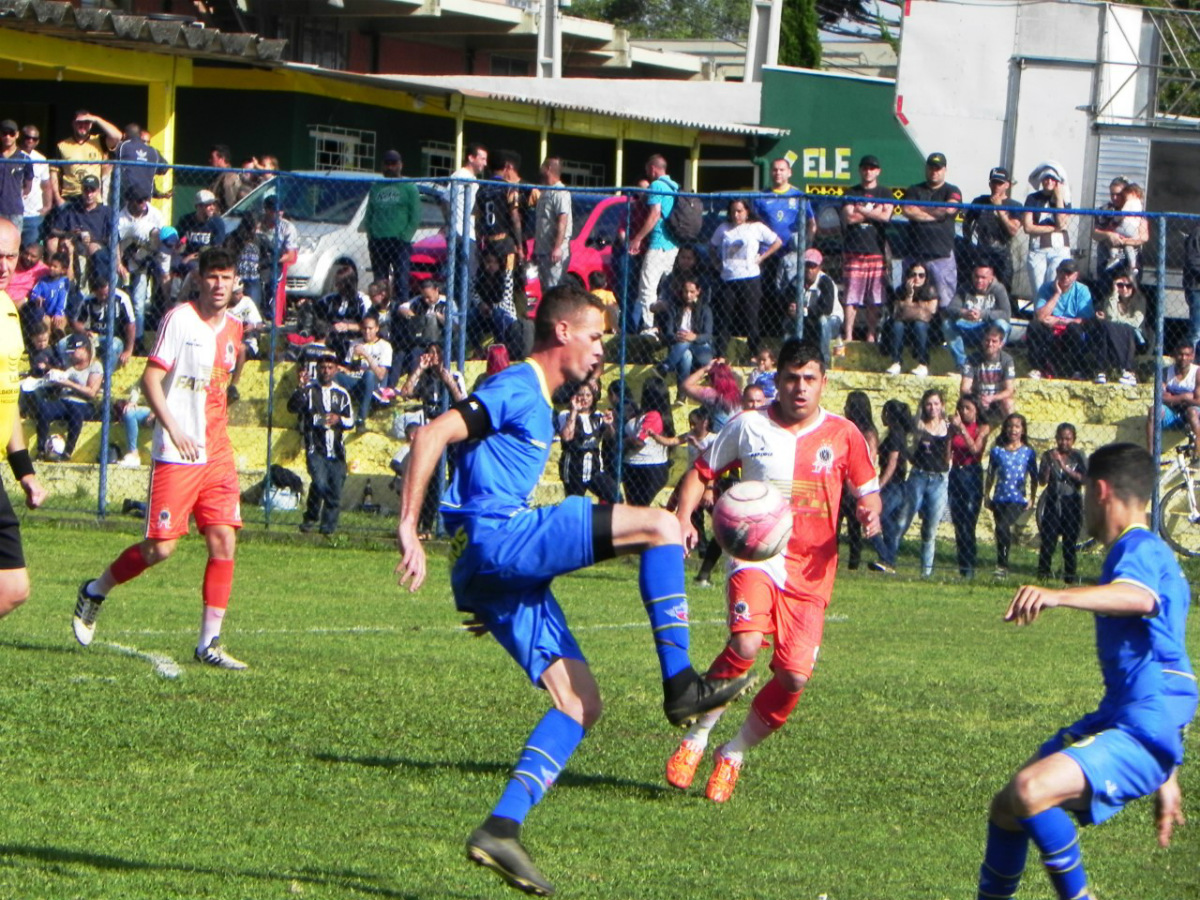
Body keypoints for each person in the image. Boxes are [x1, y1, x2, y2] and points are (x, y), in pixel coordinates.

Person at [394, 283, 756, 896]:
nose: (598, 350)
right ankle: (681, 684)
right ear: (562, 333)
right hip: (500, 540)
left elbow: (472, 474)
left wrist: (481, 588)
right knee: (664, 524)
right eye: (594, 336)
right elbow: (431, 437)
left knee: (580, 703)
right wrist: (408, 527)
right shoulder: (516, 387)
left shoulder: (540, 399)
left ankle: (501, 828)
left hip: (491, 568)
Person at [976, 442, 1196, 900]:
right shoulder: (1156, 555)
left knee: (1031, 789)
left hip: (1138, 726)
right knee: (1007, 809)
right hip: (1129, 718)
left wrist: (1057, 594)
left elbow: (1137, 599)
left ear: (1098, 491)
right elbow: (1173, 671)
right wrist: (1168, 771)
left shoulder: (1134, 549)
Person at [667, 338, 881, 803]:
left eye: (809, 379)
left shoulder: (845, 435)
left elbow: (868, 491)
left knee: (794, 678)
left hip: (812, 568)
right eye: (791, 379)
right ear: (776, 381)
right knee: (745, 642)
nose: (800, 388)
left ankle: (734, 752)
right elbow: (702, 472)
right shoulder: (748, 425)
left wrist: (870, 511)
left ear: (824, 382)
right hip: (755, 555)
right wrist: (683, 518)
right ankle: (696, 738)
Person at [73, 247, 249, 670]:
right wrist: (172, 426)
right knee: (161, 549)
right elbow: (151, 379)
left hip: (217, 452)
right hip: (178, 453)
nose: (219, 285)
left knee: (224, 538)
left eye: (227, 277)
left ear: (235, 282)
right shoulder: (179, 319)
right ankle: (95, 590)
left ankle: (209, 643)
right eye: (212, 277)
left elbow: (230, 369)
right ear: (199, 279)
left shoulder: (236, 328)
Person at [0, 218, 46, 621]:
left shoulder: (9, 311)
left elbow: (8, 398)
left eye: (10, 256)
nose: (3, 265)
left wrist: (24, 472)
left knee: (12, 587)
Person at [289, 351, 354, 535]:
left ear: (335, 370)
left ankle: (328, 529)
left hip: (337, 451)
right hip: (315, 449)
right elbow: (292, 407)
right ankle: (310, 517)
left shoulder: (342, 394)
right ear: (317, 369)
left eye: (330, 367)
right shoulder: (309, 390)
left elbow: (351, 421)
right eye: (323, 367)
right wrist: (300, 387)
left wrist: (338, 419)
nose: (326, 371)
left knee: (335, 490)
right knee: (319, 484)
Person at [708, 197, 781, 359]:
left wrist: (762, 257)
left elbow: (777, 242)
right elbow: (711, 247)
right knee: (725, 319)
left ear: (747, 212)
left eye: (740, 211)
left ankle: (754, 354)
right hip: (728, 279)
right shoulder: (723, 228)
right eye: (733, 211)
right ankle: (720, 355)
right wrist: (717, 264)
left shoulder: (756, 227)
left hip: (750, 278)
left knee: (751, 319)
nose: (736, 215)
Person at [896, 388, 951, 577]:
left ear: (942, 405)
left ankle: (926, 572)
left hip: (939, 479)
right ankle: (888, 560)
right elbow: (909, 447)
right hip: (919, 476)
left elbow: (949, 454)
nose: (933, 407)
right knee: (903, 520)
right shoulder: (918, 425)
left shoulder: (948, 426)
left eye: (936, 403)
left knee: (930, 528)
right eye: (929, 404)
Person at [839, 154, 893, 345]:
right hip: (854, 250)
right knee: (851, 297)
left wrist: (860, 209)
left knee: (874, 298)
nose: (868, 171)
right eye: (865, 168)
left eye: (872, 168)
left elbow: (886, 217)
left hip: (876, 250)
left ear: (878, 171)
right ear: (860, 170)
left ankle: (871, 335)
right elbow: (849, 218)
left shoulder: (885, 193)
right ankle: (848, 335)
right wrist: (873, 212)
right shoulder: (850, 192)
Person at [900, 152, 962, 309]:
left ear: (945, 170)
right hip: (914, 254)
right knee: (909, 295)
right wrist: (935, 214)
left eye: (938, 168)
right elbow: (907, 210)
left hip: (941, 255)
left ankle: (942, 332)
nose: (934, 172)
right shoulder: (914, 189)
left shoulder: (952, 190)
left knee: (945, 299)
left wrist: (921, 210)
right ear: (926, 169)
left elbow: (949, 209)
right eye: (931, 168)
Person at [628, 154, 680, 335]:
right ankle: (666, 325)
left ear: (652, 168)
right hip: (673, 245)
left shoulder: (657, 186)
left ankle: (649, 326)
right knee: (666, 288)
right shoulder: (674, 187)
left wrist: (638, 238)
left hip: (658, 244)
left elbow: (655, 213)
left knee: (647, 287)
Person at [33, 332, 101, 461]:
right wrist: (52, 373)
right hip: (64, 400)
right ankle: (41, 450)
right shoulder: (69, 363)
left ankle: (67, 453)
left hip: (83, 404)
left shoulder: (95, 366)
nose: (70, 354)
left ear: (83, 349)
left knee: (76, 411)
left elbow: (91, 392)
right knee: (44, 408)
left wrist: (69, 383)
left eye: (73, 351)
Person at [986, 413, 1038, 579]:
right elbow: (990, 474)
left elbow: (1034, 476)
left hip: (1017, 499)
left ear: (1022, 430)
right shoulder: (997, 451)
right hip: (999, 497)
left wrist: (1032, 496)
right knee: (1000, 530)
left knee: (1003, 527)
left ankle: (1003, 565)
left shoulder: (1028, 452)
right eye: (1010, 426)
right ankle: (1001, 564)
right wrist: (987, 494)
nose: (1013, 430)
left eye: (1017, 426)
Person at [363, 150, 420, 299]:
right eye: (387, 164)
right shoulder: (376, 187)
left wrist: (404, 237)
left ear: (400, 165)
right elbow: (369, 213)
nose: (390, 167)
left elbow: (415, 217)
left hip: (399, 242)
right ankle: (381, 314)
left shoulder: (409, 187)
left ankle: (401, 315)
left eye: (393, 164)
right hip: (378, 241)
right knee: (379, 282)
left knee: (401, 281)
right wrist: (371, 235)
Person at [1027, 259, 1094, 381]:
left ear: (1076, 275)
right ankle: (1038, 368)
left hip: (1070, 329)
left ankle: (1077, 370)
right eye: (1063, 272)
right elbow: (1040, 316)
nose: (1065, 276)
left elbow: (1083, 320)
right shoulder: (1046, 288)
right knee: (1034, 326)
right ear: (1057, 272)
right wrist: (1057, 294)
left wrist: (1058, 321)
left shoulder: (1082, 290)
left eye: (1069, 273)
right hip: (1050, 328)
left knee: (1075, 329)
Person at [1037, 423, 1087, 584]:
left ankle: (1070, 576)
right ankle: (1043, 574)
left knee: (1069, 542)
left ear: (1073, 440)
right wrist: (1048, 469)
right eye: (1060, 439)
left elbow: (1084, 479)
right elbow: (1042, 481)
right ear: (1056, 438)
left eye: (1068, 439)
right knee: (1048, 541)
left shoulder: (1078, 456)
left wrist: (1064, 467)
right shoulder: (1048, 455)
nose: (1063, 443)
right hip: (1053, 502)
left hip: (1071, 503)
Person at [838, 390, 882, 571]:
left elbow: (869, 460)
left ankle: (854, 563)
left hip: (856, 485)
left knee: (854, 527)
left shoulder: (868, 433)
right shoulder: (845, 429)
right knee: (835, 524)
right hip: (841, 485)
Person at [948, 394, 990, 579]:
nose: (964, 412)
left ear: (976, 411)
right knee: (958, 523)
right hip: (956, 473)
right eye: (962, 408)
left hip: (972, 474)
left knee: (968, 523)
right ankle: (962, 566)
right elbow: (947, 453)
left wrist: (962, 430)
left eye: (968, 408)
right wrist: (950, 433)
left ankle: (970, 565)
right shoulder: (955, 428)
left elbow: (975, 450)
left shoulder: (981, 428)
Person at [555, 380, 619, 503]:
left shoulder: (598, 416)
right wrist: (574, 411)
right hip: (574, 466)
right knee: (575, 503)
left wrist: (609, 425)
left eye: (588, 395)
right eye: (580, 394)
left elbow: (609, 437)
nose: (584, 398)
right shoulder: (566, 414)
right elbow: (567, 437)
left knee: (615, 496)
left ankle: (605, 520)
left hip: (594, 467)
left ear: (593, 397)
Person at [870, 398, 913, 575]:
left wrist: (880, 484)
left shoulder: (895, 433)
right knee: (889, 524)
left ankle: (886, 557)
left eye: (885, 412)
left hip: (893, 484)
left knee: (875, 517)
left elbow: (892, 462)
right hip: (899, 485)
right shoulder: (899, 433)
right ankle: (889, 560)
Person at [942, 263, 1011, 372]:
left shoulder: (999, 289)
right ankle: (962, 366)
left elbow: (1006, 313)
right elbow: (950, 308)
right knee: (947, 324)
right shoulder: (964, 288)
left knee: (1002, 325)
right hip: (968, 326)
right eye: (976, 277)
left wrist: (983, 314)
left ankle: (993, 362)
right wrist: (963, 313)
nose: (979, 280)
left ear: (991, 278)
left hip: (987, 327)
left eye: (983, 278)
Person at [962, 166, 1021, 292]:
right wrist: (968, 243)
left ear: (1007, 185)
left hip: (1002, 252)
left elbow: (1013, 230)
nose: (996, 186)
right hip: (982, 250)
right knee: (978, 286)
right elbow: (967, 223)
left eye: (1000, 183)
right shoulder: (980, 201)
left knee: (1003, 288)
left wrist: (999, 209)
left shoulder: (1014, 205)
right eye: (994, 182)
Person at [622, 375, 675, 507]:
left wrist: (622, 441)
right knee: (636, 509)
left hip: (644, 468)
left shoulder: (654, 416)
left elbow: (639, 442)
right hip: (640, 467)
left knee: (638, 510)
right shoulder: (647, 414)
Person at [336, 311, 392, 432]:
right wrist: (341, 369)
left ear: (377, 328)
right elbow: (348, 368)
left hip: (373, 385)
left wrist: (366, 354)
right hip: (355, 381)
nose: (367, 332)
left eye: (370, 328)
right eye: (364, 328)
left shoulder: (385, 346)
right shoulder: (355, 343)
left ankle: (361, 419)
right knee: (333, 374)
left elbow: (381, 375)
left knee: (369, 374)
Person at [1022, 162, 1073, 293]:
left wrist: (1059, 197)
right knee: (1039, 291)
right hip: (1038, 248)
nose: (1049, 181)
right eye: (1046, 178)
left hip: (1059, 248)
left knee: (1054, 288)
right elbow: (1028, 227)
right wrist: (1053, 229)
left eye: (1053, 179)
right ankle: (1038, 313)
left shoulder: (1065, 199)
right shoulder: (1033, 198)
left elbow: (1062, 223)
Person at [657, 276, 714, 392]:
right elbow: (668, 332)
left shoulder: (705, 309)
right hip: (680, 346)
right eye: (686, 291)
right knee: (686, 355)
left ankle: (665, 366)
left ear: (698, 292)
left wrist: (694, 337)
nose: (688, 295)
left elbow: (708, 335)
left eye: (692, 292)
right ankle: (682, 394)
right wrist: (676, 336)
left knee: (686, 341)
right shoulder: (674, 308)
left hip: (702, 349)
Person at [1093, 268, 1145, 386]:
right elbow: (1111, 318)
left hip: (1135, 337)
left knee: (1115, 326)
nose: (1124, 289)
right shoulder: (1111, 299)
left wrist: (1114, 320)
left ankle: (1126, 370)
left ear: (1134, 286)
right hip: (1114, 335)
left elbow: (1135, 322)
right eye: (1120, 285)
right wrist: (1114, 293)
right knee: (1107, 326)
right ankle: (1105, 372)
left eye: (1128, 285)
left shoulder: (1140, 300)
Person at [885, 262, 938, 378]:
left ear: (926, 277)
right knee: (897, 325)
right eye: (913, 274)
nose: (917, 278)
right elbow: (897, 313)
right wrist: (909, 295)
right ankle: (896, 362)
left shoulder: (931, 290)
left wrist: (908, 307)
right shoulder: (901, 290)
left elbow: (932, 310)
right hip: (905, 326)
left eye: (921, 275)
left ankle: (923, 363)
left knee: (919, 324)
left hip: (926, 328)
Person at [1146, 339, 1200, 451]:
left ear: (1192, 356)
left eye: (1187, 355)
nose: (1183, 358)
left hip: (1191, 414)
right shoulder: (1165, 372)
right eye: (1180, 354)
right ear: (1175, 354)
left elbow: (1198, 401)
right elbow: (1161, 397)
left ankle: (1198, 453)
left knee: (1192, 412)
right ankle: (1151, 454)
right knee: (1153, 411)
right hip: (1172, 414)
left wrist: (1172, 398)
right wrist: (1185, 397)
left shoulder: (1197, 373)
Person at [793, 248, 842, 364]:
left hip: (832, 320)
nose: (809, 270)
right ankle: (791, 359)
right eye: (807, 265)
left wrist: (804, 311)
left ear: (819, 267)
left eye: (813, 266)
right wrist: (790, 308)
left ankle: (823, 361)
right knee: (787, 322)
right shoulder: (796, 280)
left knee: (823, 321)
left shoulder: (825, 282)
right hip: (807, 318)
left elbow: (827, 309)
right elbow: (786, 297)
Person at [960, 325, 1017, 421]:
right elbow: (965, 387)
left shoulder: (1007, 360)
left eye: (994, 341)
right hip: (978, 399)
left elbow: (1009, 390)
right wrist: (978, 398)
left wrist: (992, 398)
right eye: (987, 340)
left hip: (997, 401)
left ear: (1001, 344)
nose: (990, 344)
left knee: (1009, 403)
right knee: (966, 403)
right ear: (982, 341)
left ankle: (1009, 429)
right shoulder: (971, 359)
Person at [533, 157, 572, 291]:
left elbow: (563, 221)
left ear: (548, 169)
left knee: (554, 291)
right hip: (542, 251)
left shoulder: (560, 192)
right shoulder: (545, 191)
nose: (540, 169)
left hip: (553, 252)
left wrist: (557, 247)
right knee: (545, 292)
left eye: (543, 166)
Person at [680, 358, 741, 433]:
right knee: (697, 412)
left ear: (713, 380)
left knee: (698, 414)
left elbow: (686, 386)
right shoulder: (738, 392)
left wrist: (705, 369)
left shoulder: (712, 394)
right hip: (737, 430)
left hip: (722, 433)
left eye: (707, 378)